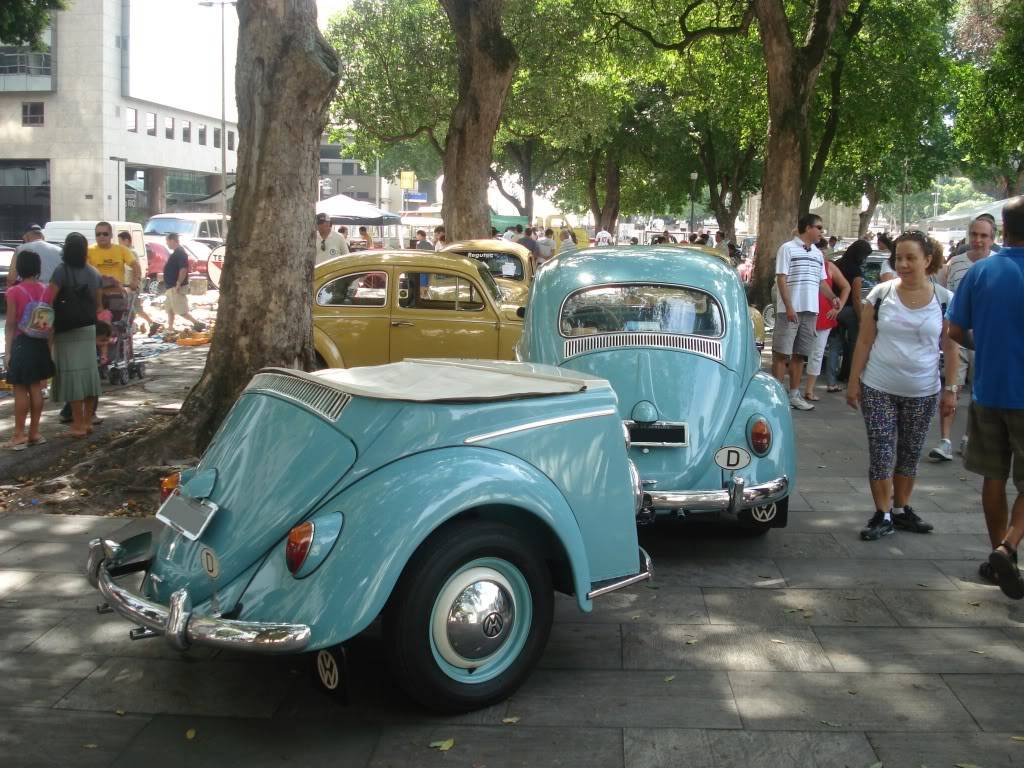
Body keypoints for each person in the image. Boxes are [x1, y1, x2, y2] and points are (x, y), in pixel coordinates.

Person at [847, 232, 955, 541]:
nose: (903, 265)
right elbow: (865, 340)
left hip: (923, 390)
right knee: (882, 452)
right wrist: (853, 383)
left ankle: (901, 508)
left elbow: (949, 347)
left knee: (909, 453)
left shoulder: (944, 300)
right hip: (878, 386)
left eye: (911, 258)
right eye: (898, 259)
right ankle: (882, 513)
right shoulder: (881, 294)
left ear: (928, 260)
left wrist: (952, 388)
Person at [945, 198, 1024, 598]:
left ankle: (999, 557)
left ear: (1003, 230)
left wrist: (986, 344)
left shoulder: (982, 271)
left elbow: (955, 330)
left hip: (989, 389)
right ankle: (1008, 547)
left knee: (993, 477)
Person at [930, 215, 995, 461]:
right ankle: (945, 440)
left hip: (985, 338)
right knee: (951, 386)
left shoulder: (998, 265)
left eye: (984, 236)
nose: (978, 240)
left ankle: (969, 438)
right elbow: (944, 299)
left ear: (993, 238)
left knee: (979, 391)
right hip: (955, 335)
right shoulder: (955, 263)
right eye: (975, 234)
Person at [772, 214, 841, 411]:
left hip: (811, 310)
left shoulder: (818, 254)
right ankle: (777, 398)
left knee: (800, 355)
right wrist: (789, 306)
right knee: (781, 354)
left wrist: (832, 297)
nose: (821, 231)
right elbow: (781, 279)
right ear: (808, 228)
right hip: (790, 310)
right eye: (819, 227)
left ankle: (794, 395)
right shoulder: (787, 249)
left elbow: (821, 282)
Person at [49, 232, 103, 439]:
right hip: (88, 329)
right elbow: (99, 306)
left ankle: (77, 423)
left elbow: (49, 300)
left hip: (65, 330)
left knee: (72, 377)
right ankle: (88, 421)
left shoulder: (61, 272)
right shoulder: (94, 273)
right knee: (89, 375)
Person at [4, 250, 56, 450]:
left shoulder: (14, 292)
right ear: (38, 268)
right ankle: (35, 432)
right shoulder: (46, 290)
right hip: (40, 344)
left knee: (19, 390)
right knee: (36, 388)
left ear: (19, 268)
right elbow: (52, 322)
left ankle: (18, 435)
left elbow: (10, 324)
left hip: (22, 343)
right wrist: (49, 348)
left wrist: (7, 351)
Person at [802, 259, 850, 401]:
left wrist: (838, 308)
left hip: (824, 315)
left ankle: (809, 390)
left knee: (817, 353)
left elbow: (846, 286)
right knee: (798, 353)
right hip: (803, 312)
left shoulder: (829, 266)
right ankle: (794, 389)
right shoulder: (802, 260)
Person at [833, 239, 871, 385]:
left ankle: (836, 374)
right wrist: (861, 319)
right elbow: (856, 297)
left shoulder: (838, 264)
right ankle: (850, 373)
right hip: (848, 310)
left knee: (837, 344)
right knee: (854, 343)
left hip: (834, 308)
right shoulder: (856, 271)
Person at [117, 230, 159, 333]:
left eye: (120, 241)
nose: (119, 244)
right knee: (136, 308)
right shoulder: (127, 252)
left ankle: (133, 327)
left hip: (131, 286)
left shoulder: (131, 253)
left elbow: (132, 269)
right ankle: (152, 323)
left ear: (126, 241)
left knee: (131, 309)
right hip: (129, 286)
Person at [163, 233, 205, 332]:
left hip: (176, 286)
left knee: (181, 310)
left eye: (167, 241)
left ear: (172, 240)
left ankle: (197, 323)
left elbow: (183, 269)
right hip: (170, 286)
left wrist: (178, 283)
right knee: (170, 309)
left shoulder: (180, 253)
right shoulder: (175, 253)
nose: (167, 244)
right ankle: (170, 327)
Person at [87, 221, 140, 291]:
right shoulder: (88, 251)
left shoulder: (122, 250)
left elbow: (135, 266)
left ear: (111, 235)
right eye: (98, 234)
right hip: (96, 292)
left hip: (117, 292)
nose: (101, 236)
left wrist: (135, 281)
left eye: (105, 234)